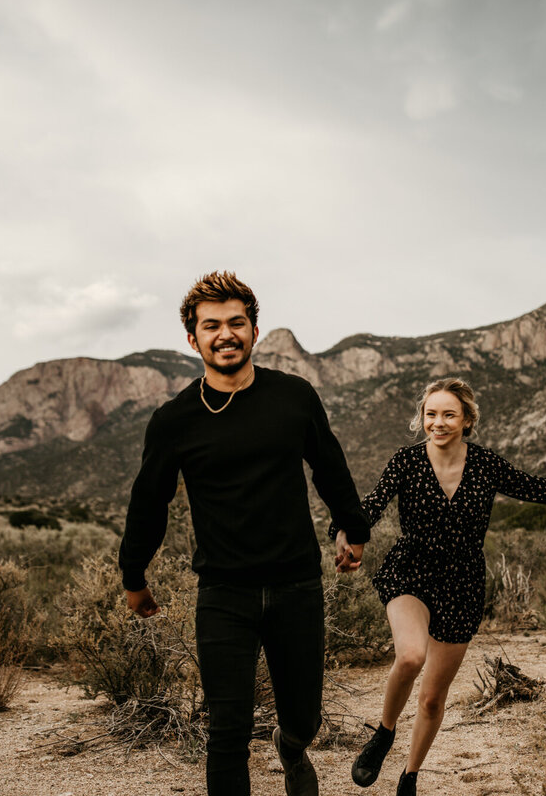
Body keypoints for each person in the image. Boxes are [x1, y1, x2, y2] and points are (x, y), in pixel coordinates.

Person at [119, 271, 371, 796]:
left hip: (296, 584)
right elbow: (150, 501)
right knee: (225, 731)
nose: (225, 334)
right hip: (223, 593)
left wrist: (352, 525)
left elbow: (329, 465)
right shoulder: (174, 420)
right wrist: (134, 574)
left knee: (305, 719)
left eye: (237, 322)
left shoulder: (294, 397)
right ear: (193, 339)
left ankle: (293, 746)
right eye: (211, 326)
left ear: (255, 331)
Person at [332, 378, 546, 795]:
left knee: (433, 700)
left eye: (448, 414)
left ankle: (410, 777)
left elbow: (542, 489)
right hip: (412, 573)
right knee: (410, 656)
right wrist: (345, 532)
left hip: (463, 584)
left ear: (467, 420)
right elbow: (371, 505)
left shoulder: (486, 465)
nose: (437, 423)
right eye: (430, 414)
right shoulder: (405, 461)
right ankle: (383, 734)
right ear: (422, 418)